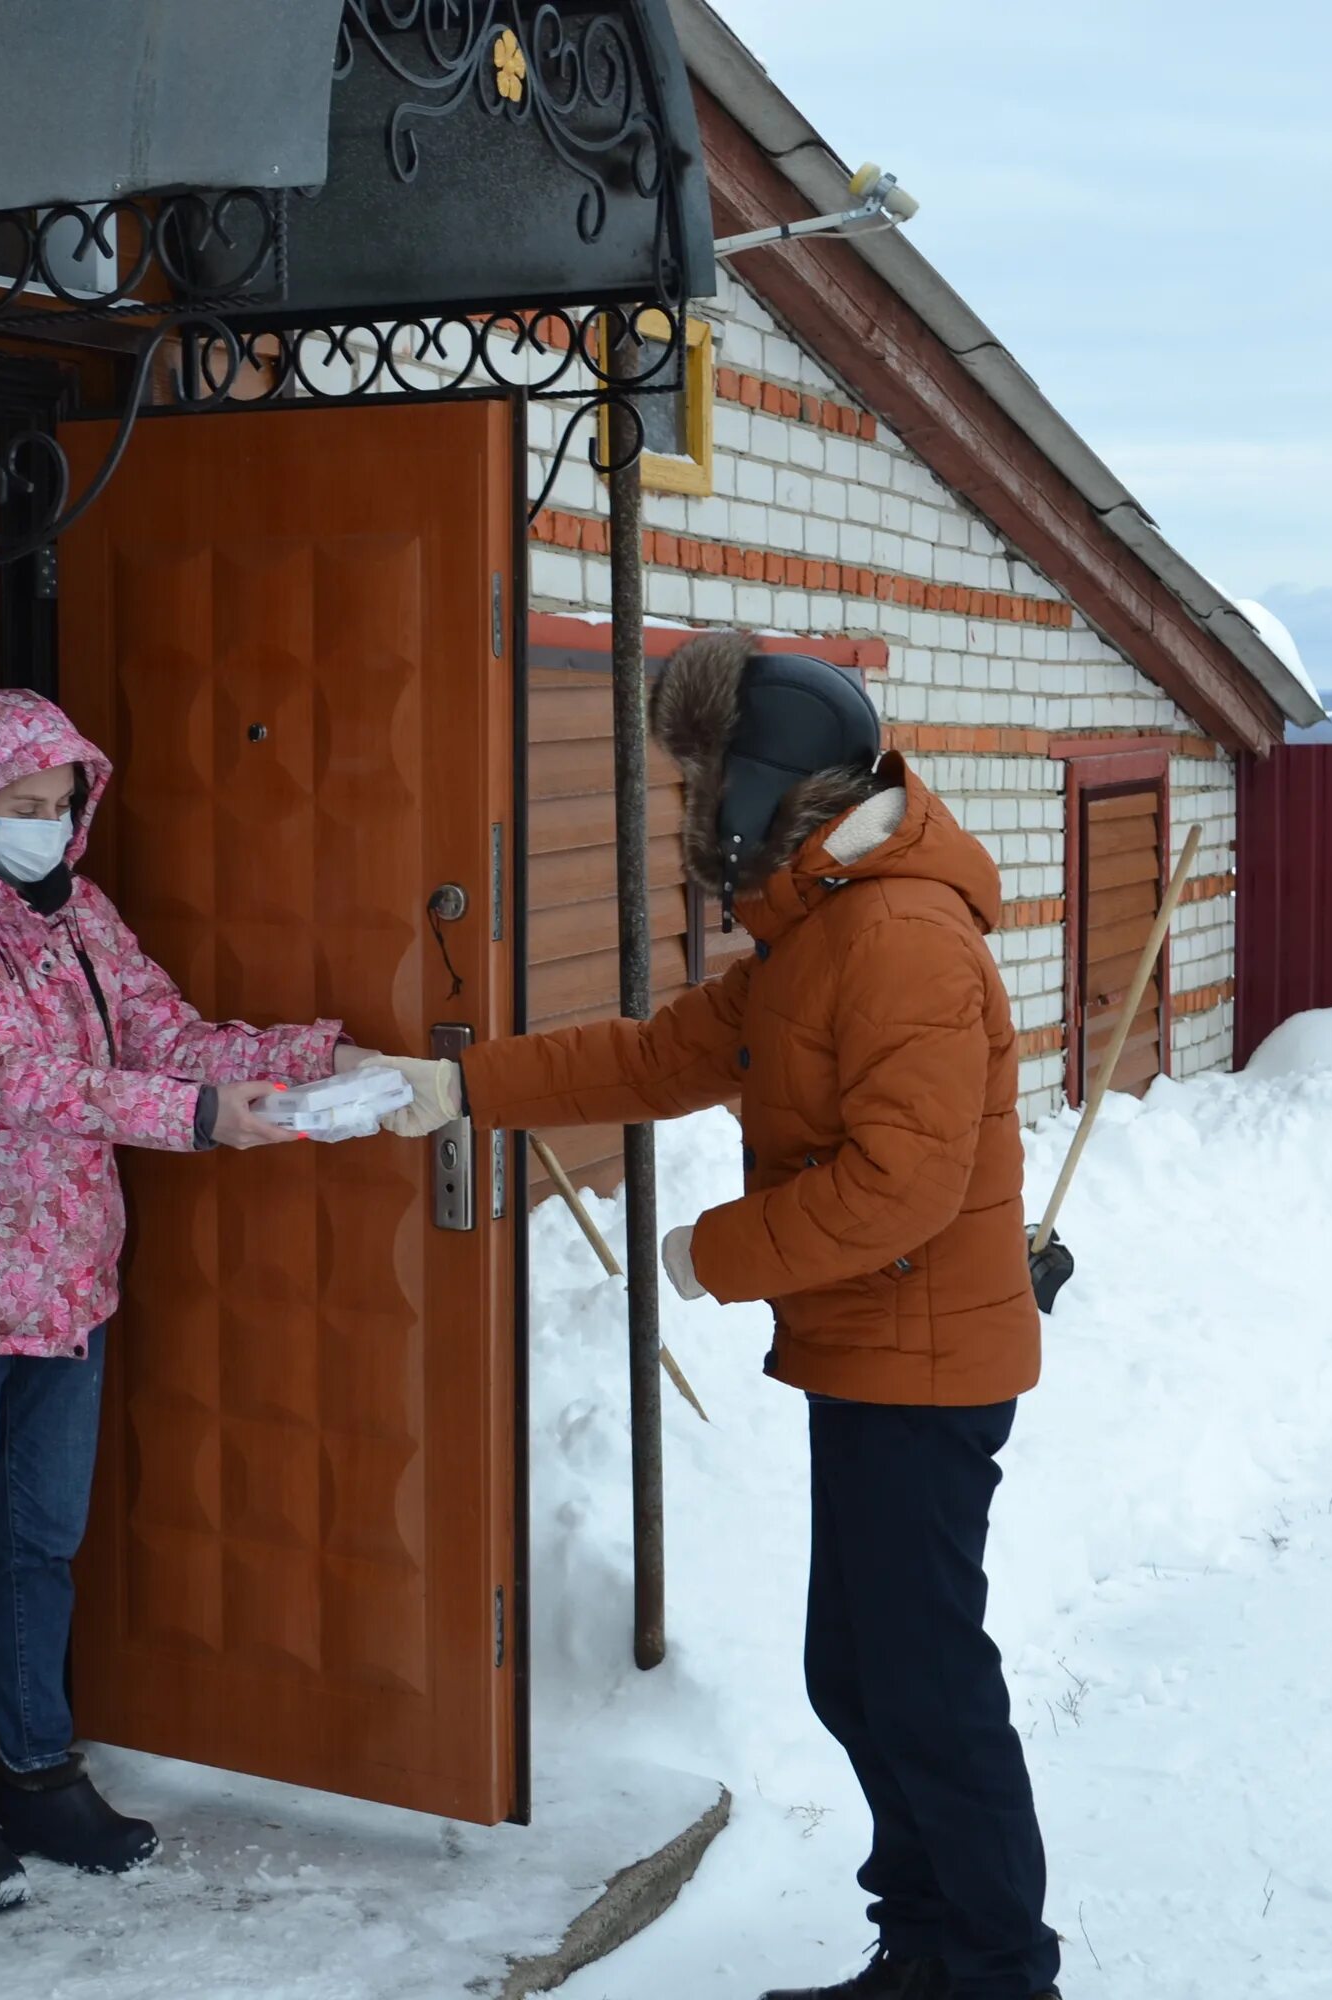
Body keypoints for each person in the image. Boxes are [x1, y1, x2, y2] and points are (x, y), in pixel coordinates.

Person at [372, 633, 1063, 2000]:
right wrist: (467, 1089)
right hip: (875, 1356)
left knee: (922, 1689)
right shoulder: (825, 925)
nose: (689, 811)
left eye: (698, 783)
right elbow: (659, 1052)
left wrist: (714, 1253)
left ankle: (995, 1971)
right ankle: (927, 1944)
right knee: (863, 1678)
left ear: (759, 789)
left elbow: (901, 1188)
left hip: (923, 1367)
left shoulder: (901, 938)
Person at [0, 688, 362, 1916]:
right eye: (18, 806)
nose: (41, 827)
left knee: (40, 1545)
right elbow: (12, 1076)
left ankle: (37, 1769)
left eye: (57, 806)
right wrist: (192, 1119)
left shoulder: (79, 915)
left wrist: (318, 1059)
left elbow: (164, 1033)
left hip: (69, 1280)